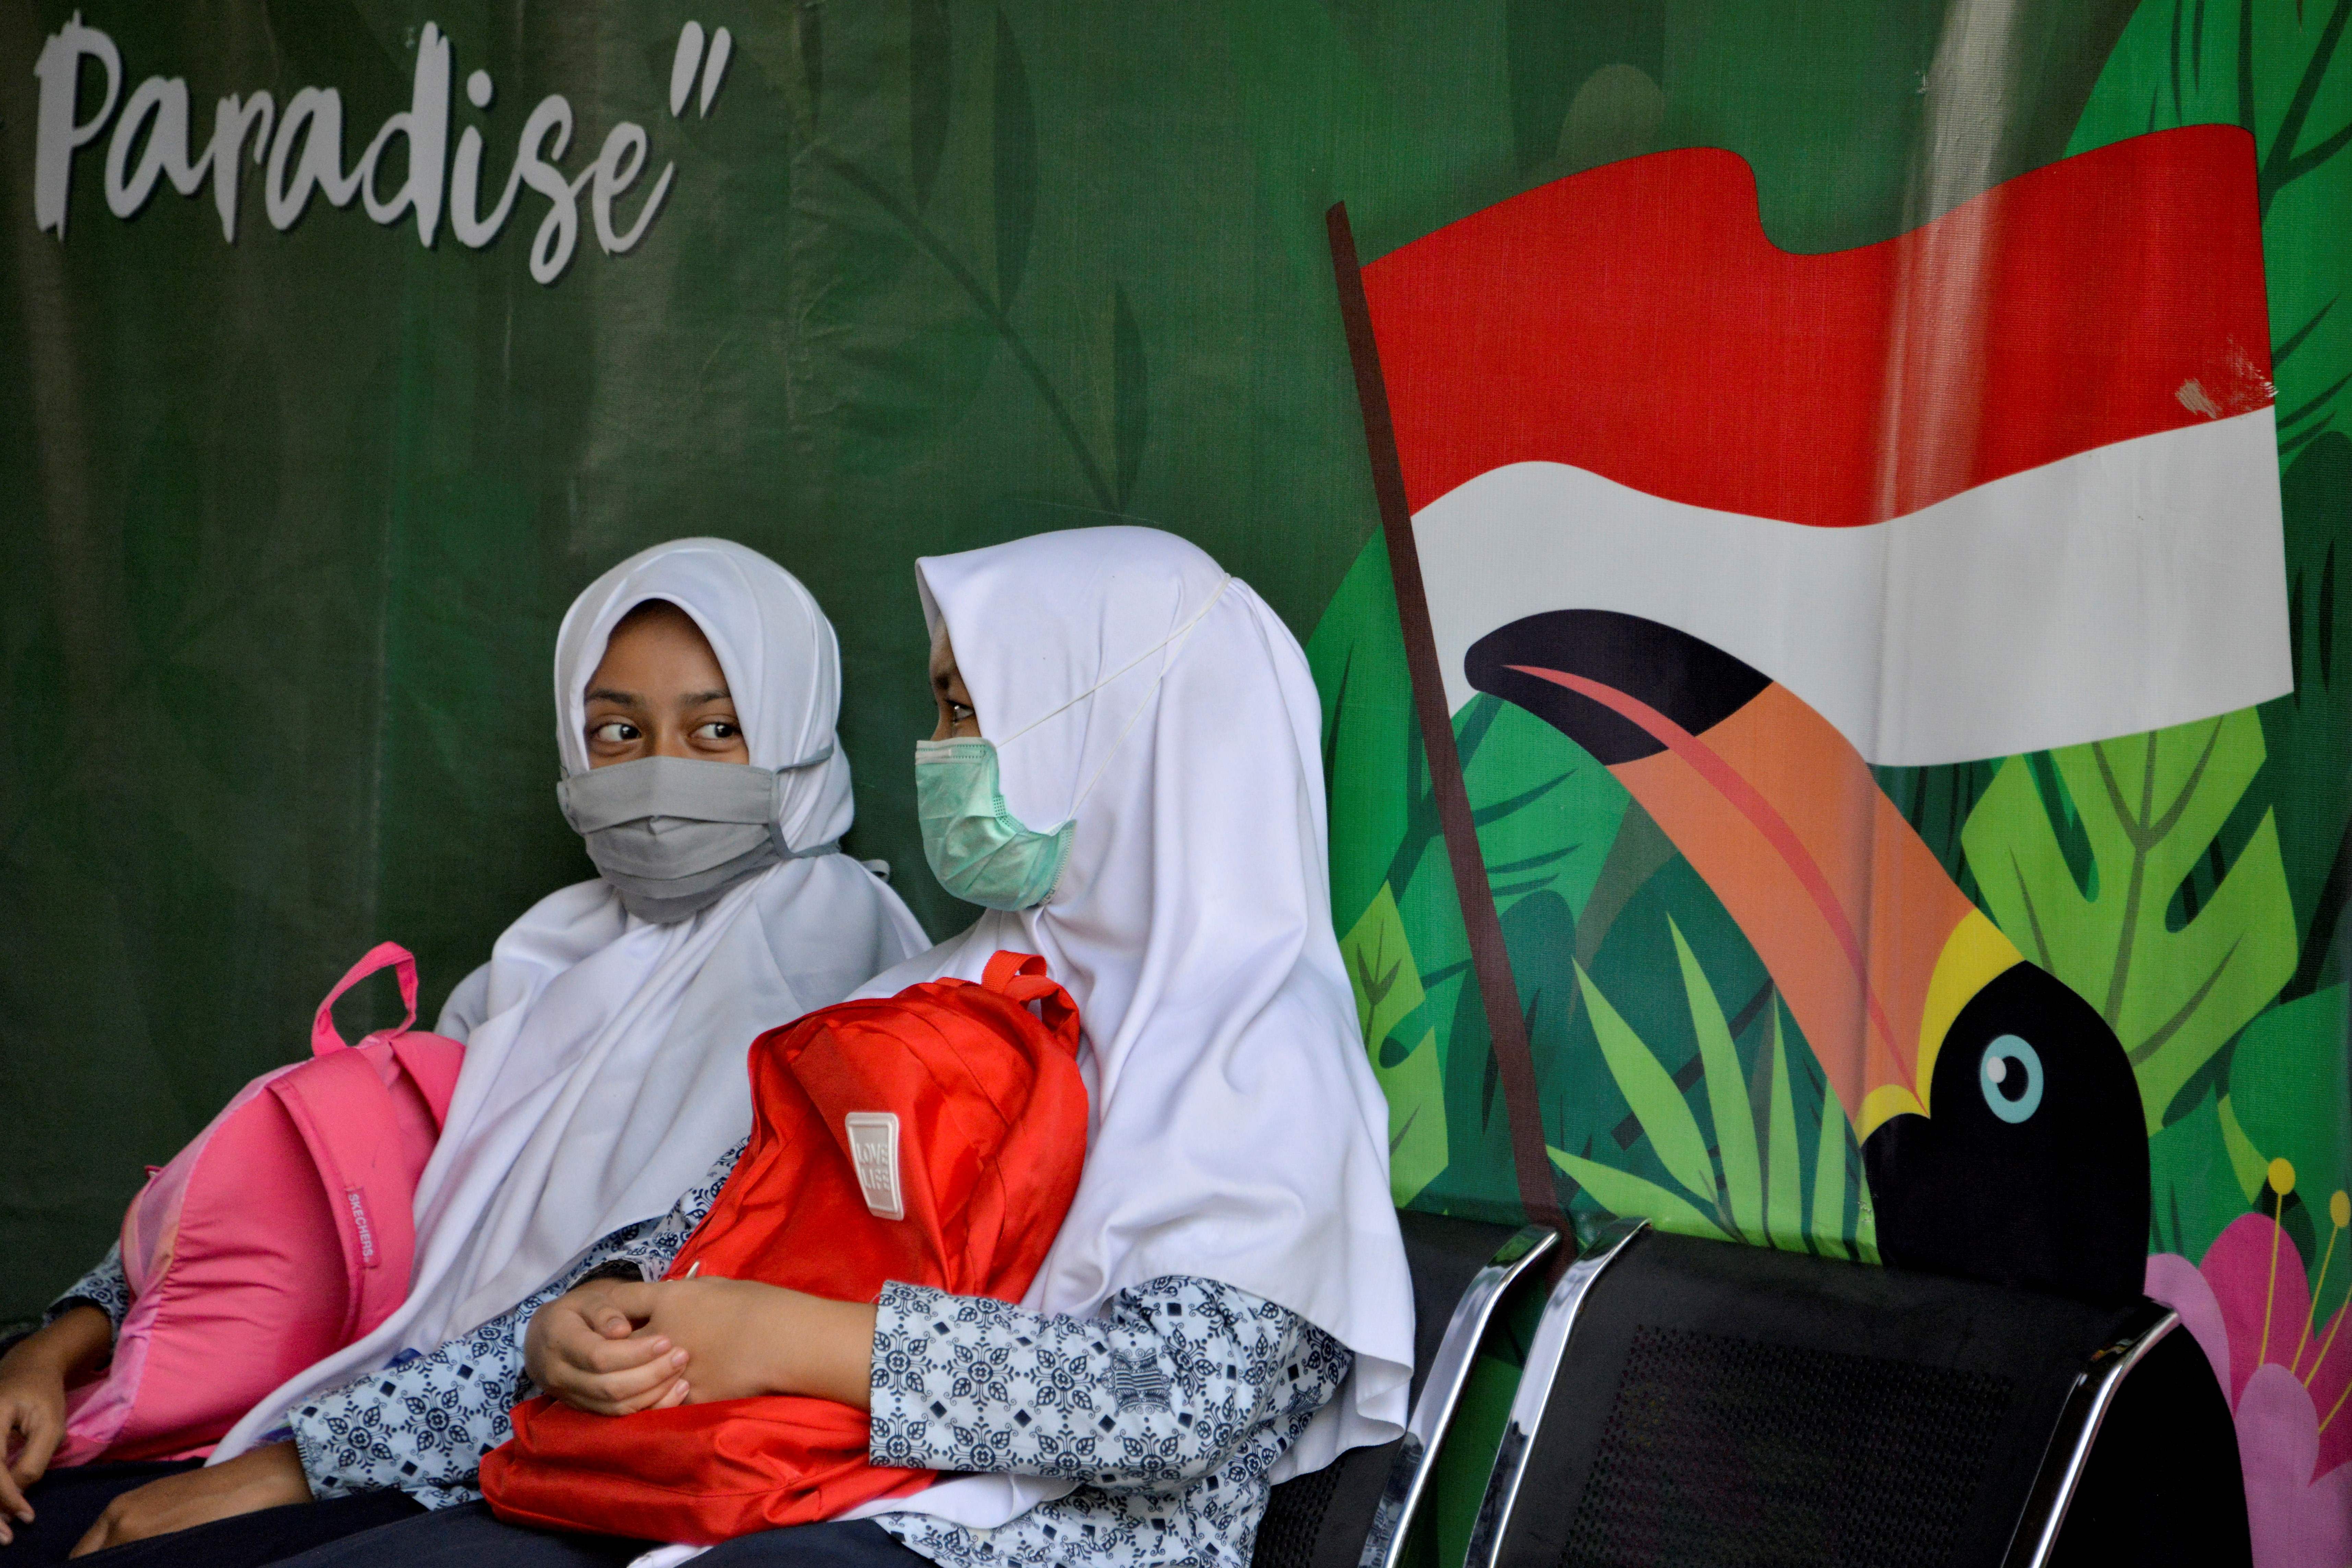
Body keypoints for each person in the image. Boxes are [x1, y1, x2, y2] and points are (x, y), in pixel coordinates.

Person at [265, 525, 1416, 1568]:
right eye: (941, 710)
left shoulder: (1262, 1059)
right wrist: (577, 1332)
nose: (937, 753)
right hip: (753, 1491)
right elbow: (694, 1255)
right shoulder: (922, 999)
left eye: (972, 713)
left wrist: (800, 1342)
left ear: (1118, 736)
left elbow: (1171, 1406)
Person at [0, 539, 928, 1564]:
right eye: (617, 731)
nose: (662, 772)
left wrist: (289, 1468)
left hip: (519, 1464)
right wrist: (57, 1347)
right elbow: (311, 1192)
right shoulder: (546, 953)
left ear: (797, 733)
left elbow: (631, 1303)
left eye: (718, 730)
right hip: (347, 1408)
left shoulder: (830, 961)